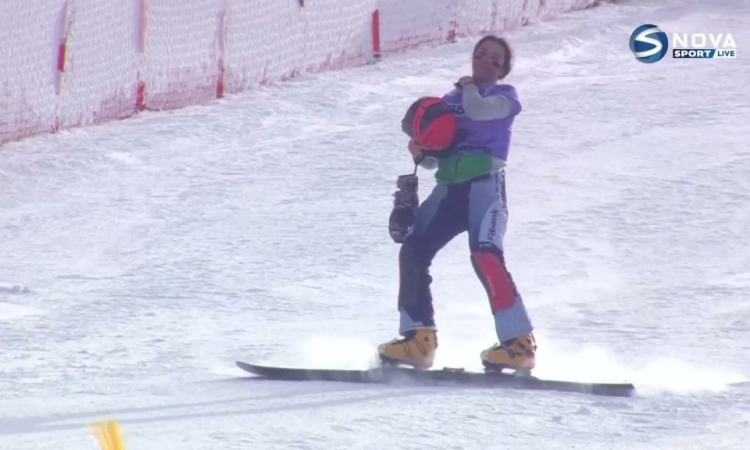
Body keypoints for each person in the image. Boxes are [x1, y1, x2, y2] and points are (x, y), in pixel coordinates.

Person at [378, 35, 536, 372]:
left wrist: (467, 87)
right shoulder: (450, 101)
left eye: (495, 59)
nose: (486, 60)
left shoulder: (506, 97)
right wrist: (421, 151)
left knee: (486, 256)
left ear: (503, 70)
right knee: (413, 248)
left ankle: (519, 342)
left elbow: (478, 110)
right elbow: (436, 156)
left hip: (485, 188)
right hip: (449, 189)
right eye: (481, 53)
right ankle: (419, 338)